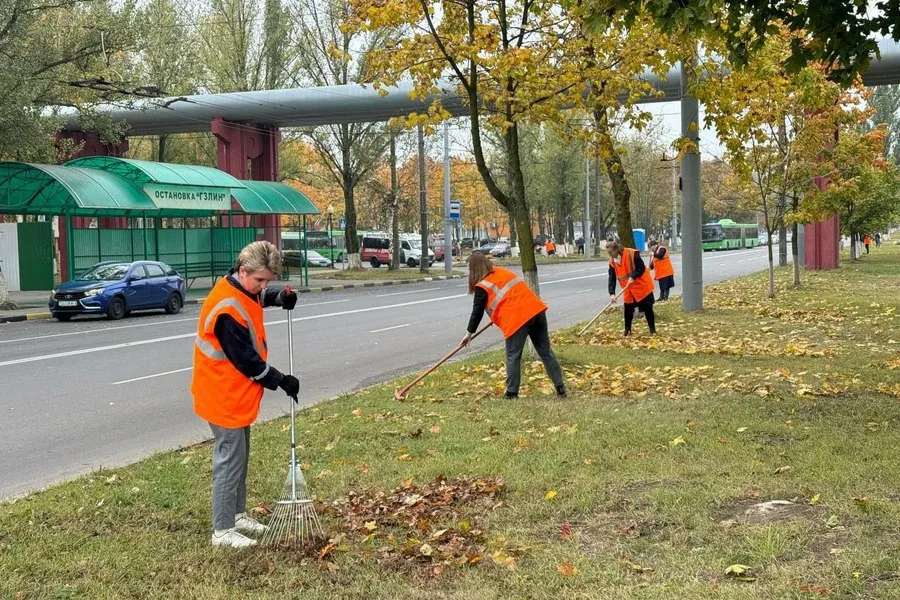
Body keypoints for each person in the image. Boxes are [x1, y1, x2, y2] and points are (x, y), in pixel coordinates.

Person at [191, 241, 299, 549]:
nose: (263, 286)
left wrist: (278, 298)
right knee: (229, 460)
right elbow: (247, 361)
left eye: (269, 281)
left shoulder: (240, 288)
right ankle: (222, 530)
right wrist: (281, 381)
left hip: (236, 394)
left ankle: (237, 515)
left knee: (241, 457)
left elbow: (253, 296)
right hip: (222, 393)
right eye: (261, 280)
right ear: (243, 270)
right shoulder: (225, 308)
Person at [462, 252, 566, 399]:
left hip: (517, 318)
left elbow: (477, 312)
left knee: (513, 356)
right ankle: (560, 388)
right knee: (546, 352)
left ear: (474, 269)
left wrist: (469, 333)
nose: (469, 273)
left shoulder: (482, 285)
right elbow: (509, 295)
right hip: (536, 311)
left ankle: (511, 393)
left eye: (469, 269)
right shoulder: (503, 272)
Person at [607, 240, 656, 336]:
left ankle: (652, 330)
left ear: (617, 249)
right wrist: (612, 293)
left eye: (611, 252)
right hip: (628, 289)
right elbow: (612, 277)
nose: (610, 255)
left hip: (641, 285)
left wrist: (633, 277)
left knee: (647, 308)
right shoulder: (612, 261)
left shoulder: (631, 253)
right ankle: (627, 330)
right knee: (628, 310)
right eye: (608, 253)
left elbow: (641, 267)